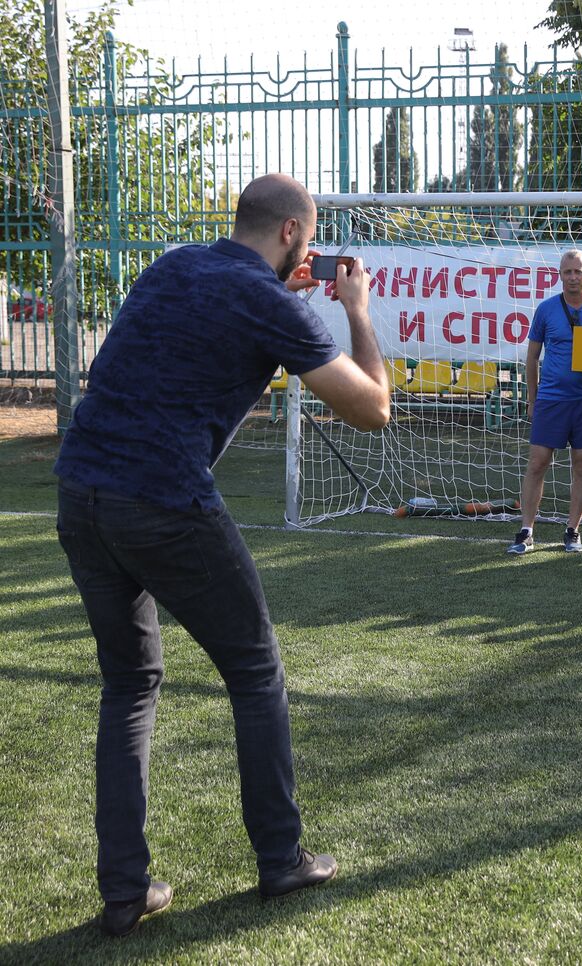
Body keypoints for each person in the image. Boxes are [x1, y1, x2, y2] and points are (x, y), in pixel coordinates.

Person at [52, 173, 390, 936]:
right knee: (255, 670)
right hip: (162, 498)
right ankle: (281, 858)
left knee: (129, 684)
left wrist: (284, 289)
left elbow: (192, 337)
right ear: (295, 235)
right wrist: (357, 312)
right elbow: (373, 406)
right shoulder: (268, 299)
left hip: (80, 490)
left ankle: (124, 891)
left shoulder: (171, 265)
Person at [508, 249, 582, 556]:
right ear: (560, 274)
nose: (572, 277)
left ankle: (573, 531)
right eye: (567, 271)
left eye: (577, 271)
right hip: (552, 400)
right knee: (537, 463)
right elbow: (531, 357)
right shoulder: (545, 309)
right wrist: (532, 398)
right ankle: (526, 530)